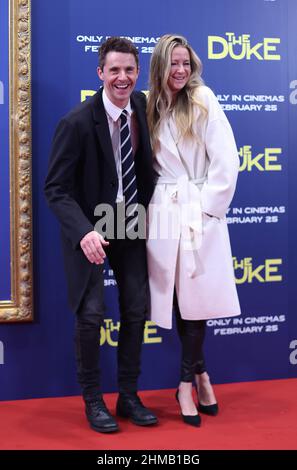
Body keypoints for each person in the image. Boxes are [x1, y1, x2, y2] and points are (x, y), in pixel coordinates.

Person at [44, 37, 158, 433]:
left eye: (129, 70)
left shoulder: (143, 108)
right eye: (114, 70)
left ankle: (127, 396)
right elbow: (55, 189)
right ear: (100, 73)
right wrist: (83, 232)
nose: (122, 78)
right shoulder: (76, 122)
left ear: (137, 73)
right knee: (91, 314)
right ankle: (93, 401)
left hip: (129, 221)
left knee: (136, 308)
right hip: (91, 227)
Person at [146, 34, 241, 427]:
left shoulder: (203, 99)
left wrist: (206, 211)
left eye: (185, 62)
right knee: (177, 300)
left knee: (197, 299)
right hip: (163, 213)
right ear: (160, 67)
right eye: (173, 63)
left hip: (197, 211)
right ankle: (201, 373)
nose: (181, 70)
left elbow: (226, 160)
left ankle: (185, 382)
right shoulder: (148, 105)